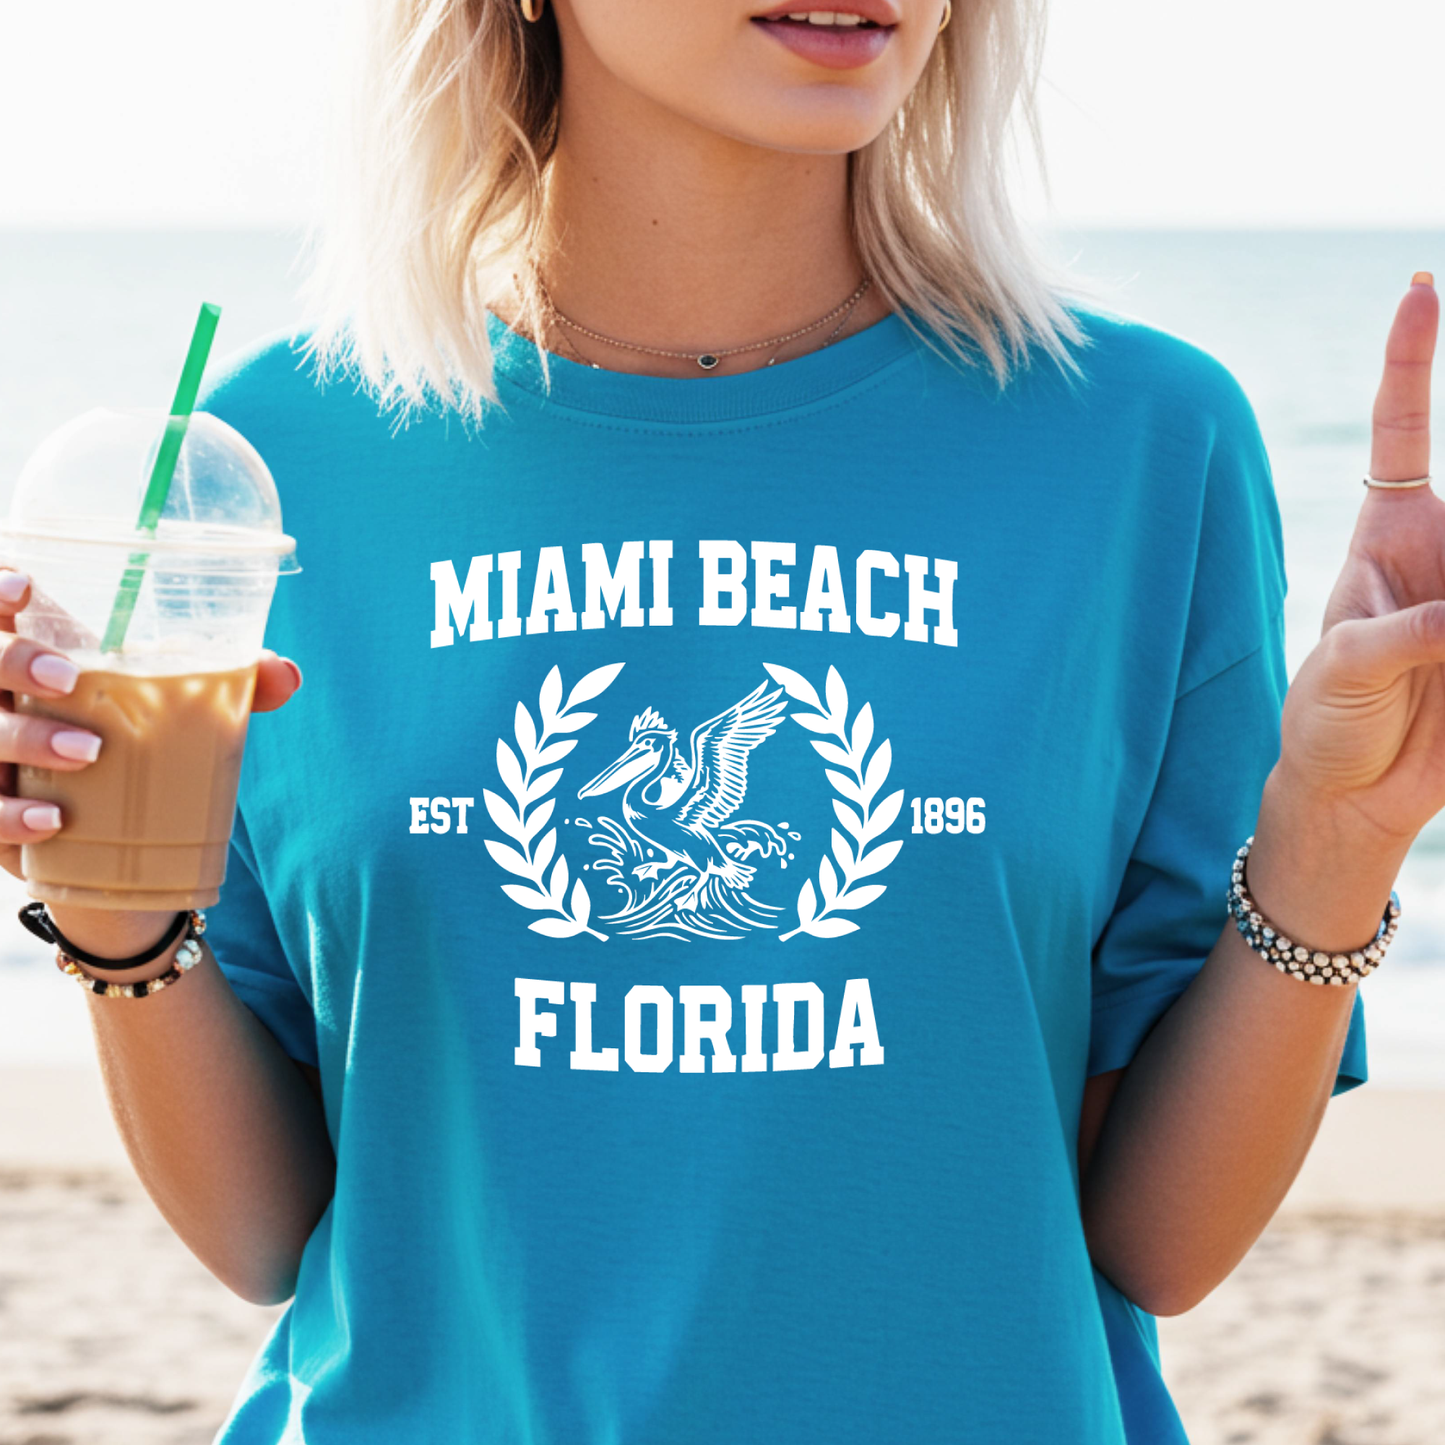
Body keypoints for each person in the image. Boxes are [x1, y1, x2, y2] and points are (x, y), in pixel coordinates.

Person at [2, 0, 1439, 1438]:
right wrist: (107, 895)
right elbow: (266, 1233)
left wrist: (1341, 831)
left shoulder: (1140, 442)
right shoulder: (277, 461)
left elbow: (1161, 1245)